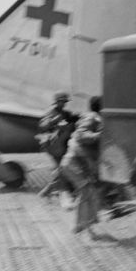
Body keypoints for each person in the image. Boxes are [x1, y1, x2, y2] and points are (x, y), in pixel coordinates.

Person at [59, 96, 104, 234]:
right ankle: (79, 226)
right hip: (73, 163)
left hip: (79, 164)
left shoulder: (96, 118)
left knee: (90, 192)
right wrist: (100, 135)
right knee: (86, 191)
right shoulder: (91, 118)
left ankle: (88, 225)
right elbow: (81, 135)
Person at [36, 92, 79, 208]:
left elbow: (72, 122)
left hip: (62, 144)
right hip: (54, 145)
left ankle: (47, 191)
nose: (64, 104)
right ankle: (63, 193)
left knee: (62, 169)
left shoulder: (65, 113)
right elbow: (43, 125)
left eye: (65, 102)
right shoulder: (51, 112)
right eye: (62, 101)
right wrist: (55, 121)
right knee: (63, 169)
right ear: (57, 102)